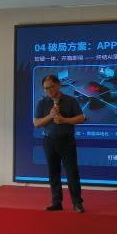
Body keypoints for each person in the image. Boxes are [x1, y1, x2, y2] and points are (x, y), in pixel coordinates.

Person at [34, 74, 86, 213]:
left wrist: (64, 120)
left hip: (67, 141)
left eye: (51, 87)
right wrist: (50, 116)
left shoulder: (71, 101)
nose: (48, 90)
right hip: (49, 141)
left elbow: (81, 118)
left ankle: (77, 203)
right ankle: (56, 202)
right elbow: (37, 123)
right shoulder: (42, 103)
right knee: (53, 172)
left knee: (72, 172)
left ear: (58, 85)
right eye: (46, 88)